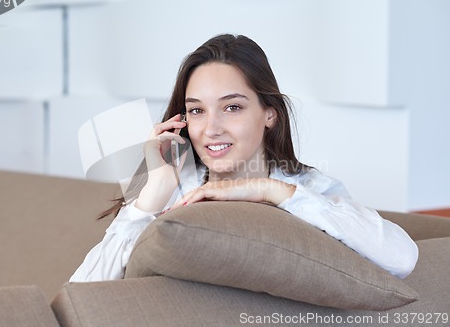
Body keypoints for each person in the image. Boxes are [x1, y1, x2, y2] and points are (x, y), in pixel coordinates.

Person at [70, 34, 418, 282]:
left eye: (232, 107)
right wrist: (153, 191)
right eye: (196, 111)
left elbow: (402, 258)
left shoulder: (305, 190)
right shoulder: (173, 188)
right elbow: (82, 295)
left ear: (270, 113)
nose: (211, 129)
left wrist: (270, 190)